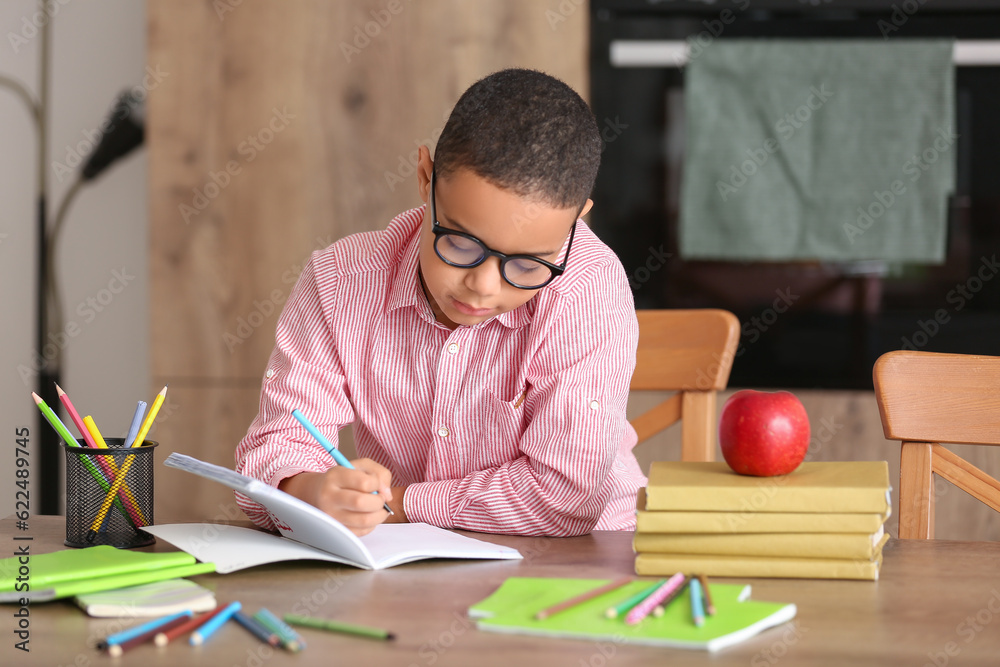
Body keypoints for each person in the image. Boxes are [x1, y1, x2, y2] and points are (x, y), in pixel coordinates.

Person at [235, 68, 646, 537]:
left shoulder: (586, 287)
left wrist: (404, 502)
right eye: (462, 245)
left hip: (584, 561)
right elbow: (276, 447)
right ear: (425, 178)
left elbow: (565, 498)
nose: (485, 287)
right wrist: (307, 490)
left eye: (528, 266)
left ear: (575, 223)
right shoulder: (341, 282)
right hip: (412, 566)